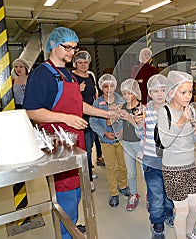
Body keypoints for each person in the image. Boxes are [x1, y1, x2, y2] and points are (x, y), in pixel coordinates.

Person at [23, 27, 119, 239]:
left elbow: (80, 105)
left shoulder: (68, 74)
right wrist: (65, 118)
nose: (71, 53)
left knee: (76, 190)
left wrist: (106, 112)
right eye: (68, 48)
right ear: (53, 46)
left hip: (75, 139)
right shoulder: (42, 75)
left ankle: (71, 225)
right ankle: (66, 234)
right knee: (65, 191)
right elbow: (31, 111)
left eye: (74, 49)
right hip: (58, 142)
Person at [157, 70, 196, 239]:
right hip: (173, 168)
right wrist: (181, 121)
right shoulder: (165, 112)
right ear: (171, 92)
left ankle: (189, 231)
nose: (188, 96)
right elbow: (164, 142)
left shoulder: (189, 111)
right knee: (182, 210)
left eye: (190, 92)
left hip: (190, 165)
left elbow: (192, 140)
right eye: (183, 92)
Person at [134, 74, 175, 239]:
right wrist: (137, 124)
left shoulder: (173, 109)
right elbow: (139, 134)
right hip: (151, 160)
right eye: (155, 91)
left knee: (169, 192)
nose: (159, 94)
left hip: (170, 160)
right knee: (155, 194)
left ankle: (169, 212)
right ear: (149, 93)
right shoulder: (144, 111)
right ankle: (157, 225)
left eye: (163, 90)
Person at [90, 74, 131, 207]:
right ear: (101, 87)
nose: (109, 89)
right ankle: (113, 193)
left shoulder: (121, 101)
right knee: (111, 167)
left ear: (115, 86)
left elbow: (128, 118)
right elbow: (93, 122)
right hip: (106, 142)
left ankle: (123, 185)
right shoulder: (97, 103)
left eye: (111, 86)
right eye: (105, 86)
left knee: (122, 165)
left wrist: (124, 131)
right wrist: (104, 133)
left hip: (121, 141)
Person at [72, 50, 99, 192]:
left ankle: (87, 172)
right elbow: (69, 98)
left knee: (91, 146)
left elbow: (93, 94)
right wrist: (77, 89)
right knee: (85, 150)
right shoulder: (72, 77)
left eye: (86, 62)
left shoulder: (90, 76)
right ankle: (87, 179)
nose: (83, 65)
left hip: (92, 117)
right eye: (80, 62)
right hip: (80, 118)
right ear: (75, 63)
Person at [119, 78, 143, 211]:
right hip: (127, 144)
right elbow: (119, 123)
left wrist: (131, 119)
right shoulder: (122, 106)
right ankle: (133, 194)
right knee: (131, 173)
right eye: (124, 93)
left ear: (136, 92)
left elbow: (142, 129)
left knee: (145, 173)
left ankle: (151, 196)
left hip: (140, 144)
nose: (127, 96)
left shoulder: (141, 107)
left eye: (130, 93)